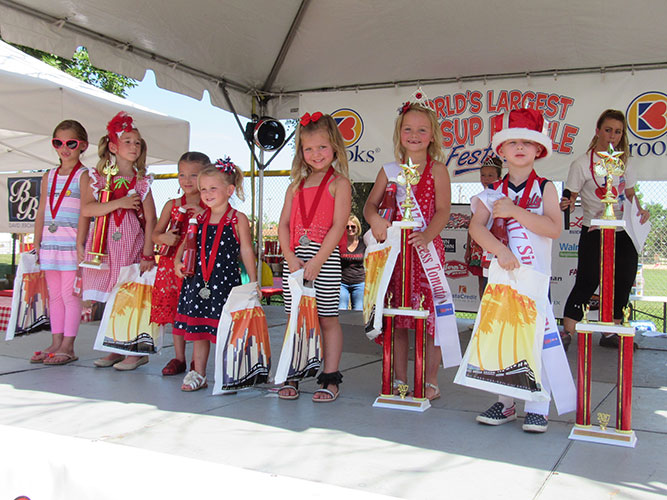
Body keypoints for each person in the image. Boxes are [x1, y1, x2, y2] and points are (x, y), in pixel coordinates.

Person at [469, 108, 565, 433]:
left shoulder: (547, 188)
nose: (520, 148)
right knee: (503, 338)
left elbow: (554, 228)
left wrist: (514, 211)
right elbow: (476, 229)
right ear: (501, 150)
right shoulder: (491, 192)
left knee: (537, 339)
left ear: (539, 149)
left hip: (535, 280)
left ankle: (538, 404)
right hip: (502, 278)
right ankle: (506, 402)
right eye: (513, 143)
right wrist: (500, 251)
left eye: (528, 142)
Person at [363, 99, 452, 402]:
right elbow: (369, 206)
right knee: (397, 317)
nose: (415, 135)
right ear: (399, 133)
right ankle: (399, 378)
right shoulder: (388, 171)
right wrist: (375, 220)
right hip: (396, 257)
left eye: (422, 130)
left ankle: (430, 380)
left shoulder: (438, 170)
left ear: (432, 135)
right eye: (408, 129)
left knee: (430, 319)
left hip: (425, 253)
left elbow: (442, 211)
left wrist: (427, 235)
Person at [560, 109, 650, 350]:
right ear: (598, 131)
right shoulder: (581, 163)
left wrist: (641, 210)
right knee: (588, 280)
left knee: (623, 279)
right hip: (594, 229)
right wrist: (565, 202)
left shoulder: (624, 162)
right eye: (608, 130)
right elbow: (571, 194)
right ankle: (568, 330)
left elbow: (630, 194)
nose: (612, 136)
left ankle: (612, 331)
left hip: (624, 229)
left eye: (618, 132)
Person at [277, 112, 351, 402]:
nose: (316, 154)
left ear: (334, 146)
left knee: (327, 319)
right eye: (309, 149)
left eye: (322, 147)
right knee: (295, 318)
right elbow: (283, 225)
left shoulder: (339, 183)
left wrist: (319, 260)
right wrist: (290, 258)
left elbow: (338, 225)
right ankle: (292, 372)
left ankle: (330, 377)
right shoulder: (294, 185)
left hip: (325, 258)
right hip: (294, 259)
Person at [80, 112, 157, 370]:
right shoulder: (98, 179)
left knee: (129, 295)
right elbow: (88, 210)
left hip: (130, 243)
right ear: (113, 146)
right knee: (110, 294)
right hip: (105, 243)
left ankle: (134, 350)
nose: (133, 146)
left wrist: (148, 252)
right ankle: (114, 346)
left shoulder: (142, 181)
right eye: (127, 141)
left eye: (137, 142)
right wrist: (119, 203)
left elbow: (150, 218)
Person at [173, 158, 257, 392]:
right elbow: (184, 244)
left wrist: (253, 280)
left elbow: (247, 250)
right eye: (203, 189)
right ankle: (198, 373)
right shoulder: (198, 218)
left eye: (213, 188)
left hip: (225, 284)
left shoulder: (236, 218)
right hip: (198, 282)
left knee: (227, 330)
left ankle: (230, 372)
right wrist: (177, 262)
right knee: (200, 331)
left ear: (229, 190)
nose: (207, 193)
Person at [30, 120, 89, 365]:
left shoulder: (85, 175)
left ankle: (69, 346)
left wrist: (80, 244)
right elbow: (42, 210)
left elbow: (87, 211)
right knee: (54, 296)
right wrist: (37, 241)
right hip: (50, 245)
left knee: (69, 295)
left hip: (71, 245)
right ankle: (56, 342)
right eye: (58, 143)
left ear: (82, 145)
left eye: (70, 143)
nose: (64, 148)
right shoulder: (49, 175)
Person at [151, 151, 209, 376]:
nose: (186, 180)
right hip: (170, 266)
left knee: (195, 311)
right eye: (182, 174)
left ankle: (197, 361)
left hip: (197, 266)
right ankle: (179, 358)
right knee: (175, 311)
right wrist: (163, 238)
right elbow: (156, 234)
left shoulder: (210, 203)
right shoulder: (172, 205)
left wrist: (203, 214)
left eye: (193, 175)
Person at [465, 156, 502, 298]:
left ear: (499, 177)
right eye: (483, 175)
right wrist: (468, 248)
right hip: (478, 247)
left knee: (496, 280)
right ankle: (483, 313)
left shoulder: (502, 195)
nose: (486, 179)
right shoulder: (478, 198)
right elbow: (471, 226)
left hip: (495, 244)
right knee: (482, 281)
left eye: (490, 175)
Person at [339, 215, 366, 310]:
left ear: (358, 227)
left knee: (358, 311)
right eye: (347, 227)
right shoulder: (339, 243)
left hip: (359, 282)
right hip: (342, 283)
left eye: (353, 226)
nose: (350, 229)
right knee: (341, 310)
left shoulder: (364, 243)